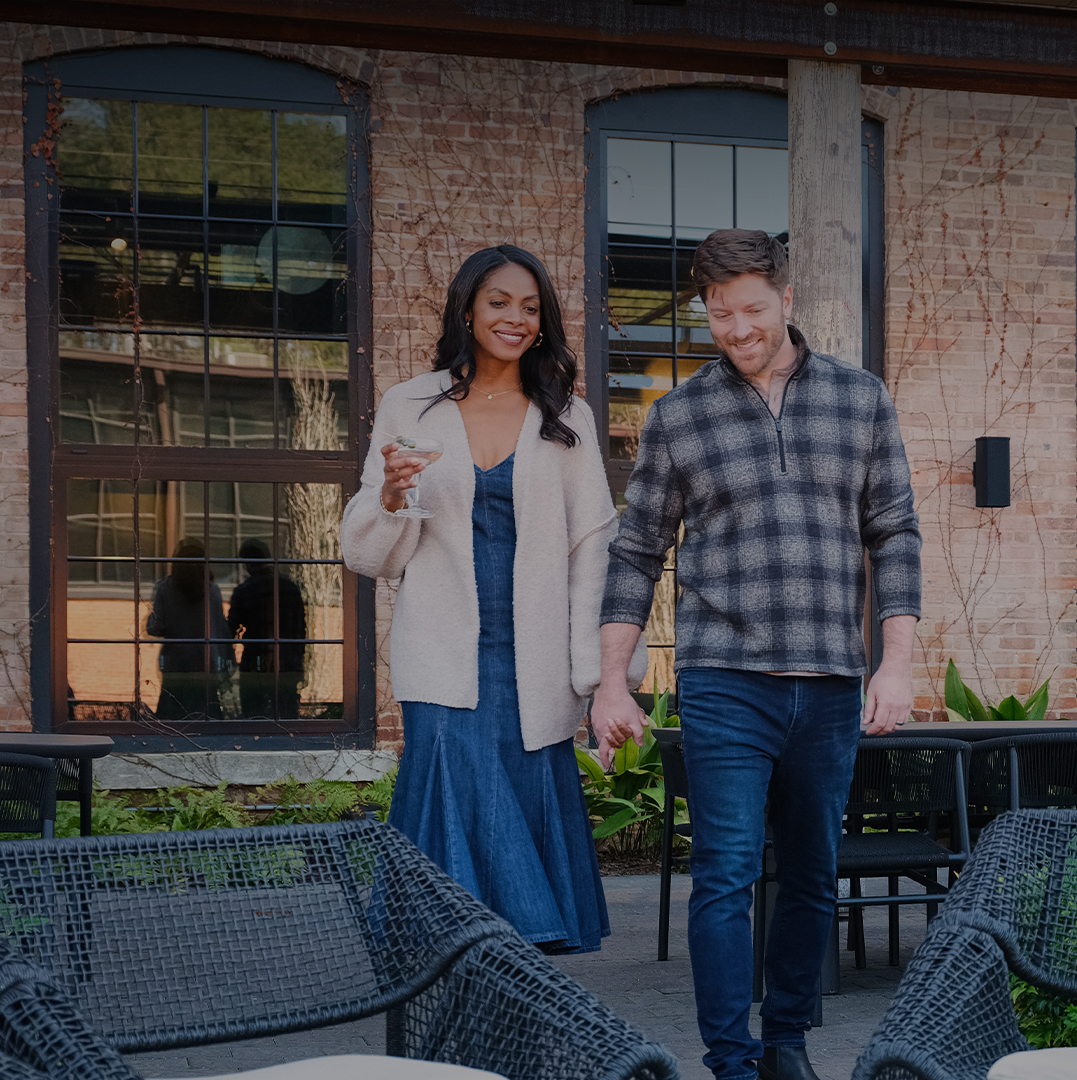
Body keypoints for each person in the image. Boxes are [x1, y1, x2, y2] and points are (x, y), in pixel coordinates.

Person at [594, 229, 921, 1080]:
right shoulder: (678, 416)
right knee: (725, 873)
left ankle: (786, 1046)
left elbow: (894, 534)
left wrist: (897, 661)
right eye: (718, 313)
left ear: (785, 299)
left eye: (751, 310)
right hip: (723, 681)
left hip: (829, 681)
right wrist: (610, 683)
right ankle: (732, 1062)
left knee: (813, 873)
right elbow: (636, 552)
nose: (736, 328)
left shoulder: (861, 399)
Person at [342, 244, 640, 954]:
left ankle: (511, 983)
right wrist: (390, 493)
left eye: (530, 307)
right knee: (459, 776)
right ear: (468, 308)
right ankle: (467, 962)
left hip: (534, 661)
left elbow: (592, 550)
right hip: (442, 655)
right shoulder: (411, 404)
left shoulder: (565, 415)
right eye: (499, 301)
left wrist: (600, 679)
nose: (515, 317)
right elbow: (369, 554)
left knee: (518, 785)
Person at [147, 537, 231, 720]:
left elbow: (155, 628)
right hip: (206, 665)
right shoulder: (213, 590)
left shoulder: (165, 589)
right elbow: (221, 631)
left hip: (176, 665)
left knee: (172, 718)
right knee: (207, 717)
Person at [226, 538, 308, 719]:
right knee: (286, 715)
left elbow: (230, 630)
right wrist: (298, 659)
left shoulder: (244, 591)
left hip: (255, 663)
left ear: (246, 563)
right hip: (288, 663)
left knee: (253, 716)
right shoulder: (291, 588)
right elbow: (300, 628)